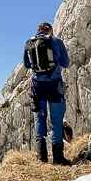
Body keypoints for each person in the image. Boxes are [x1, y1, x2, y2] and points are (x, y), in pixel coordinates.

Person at [23, 21, 70, 165]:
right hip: (54, 85)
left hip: (37, 87)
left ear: (38, 31)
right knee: (56, 120)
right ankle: (58, 158)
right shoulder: (56, 41)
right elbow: (65, 63)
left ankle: (41, 157)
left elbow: (27, 64)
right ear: (50, 30)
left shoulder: (29, 43)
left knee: (39, 119)